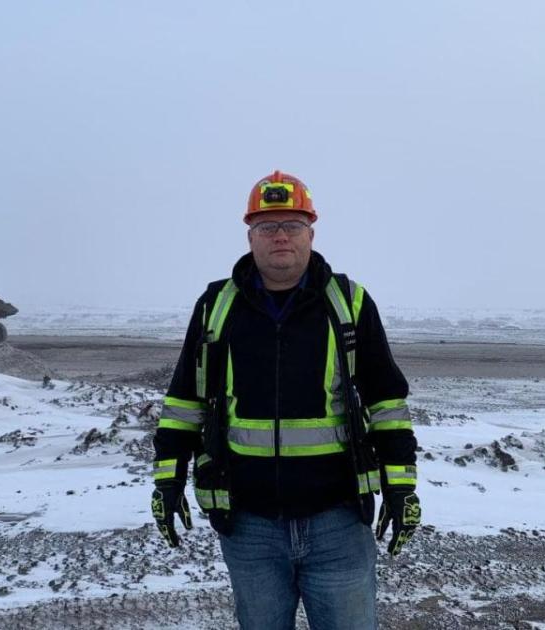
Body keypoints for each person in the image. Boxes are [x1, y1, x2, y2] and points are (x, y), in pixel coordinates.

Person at [151, 170, 420, 629]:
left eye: (291, 226)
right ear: (250, 235)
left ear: (310, 234)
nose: (280, 237)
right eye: (267, 227)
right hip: (249, 525)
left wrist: (401, 485)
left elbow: (385, 400)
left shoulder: (349, 303)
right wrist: (168, 478)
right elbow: (185, 401)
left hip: (338, 523)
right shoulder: (216, 306)